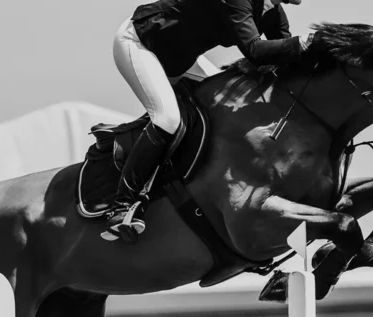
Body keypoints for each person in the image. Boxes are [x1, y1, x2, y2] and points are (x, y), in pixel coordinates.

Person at [102, 0, 314, 243]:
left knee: (233, 100)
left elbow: (283, 59)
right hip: (141, 44)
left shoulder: (273, 13)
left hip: (179, 58)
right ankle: (121, 206)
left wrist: (320, 52)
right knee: (168, 119)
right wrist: (303, 43)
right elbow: (254, 50)